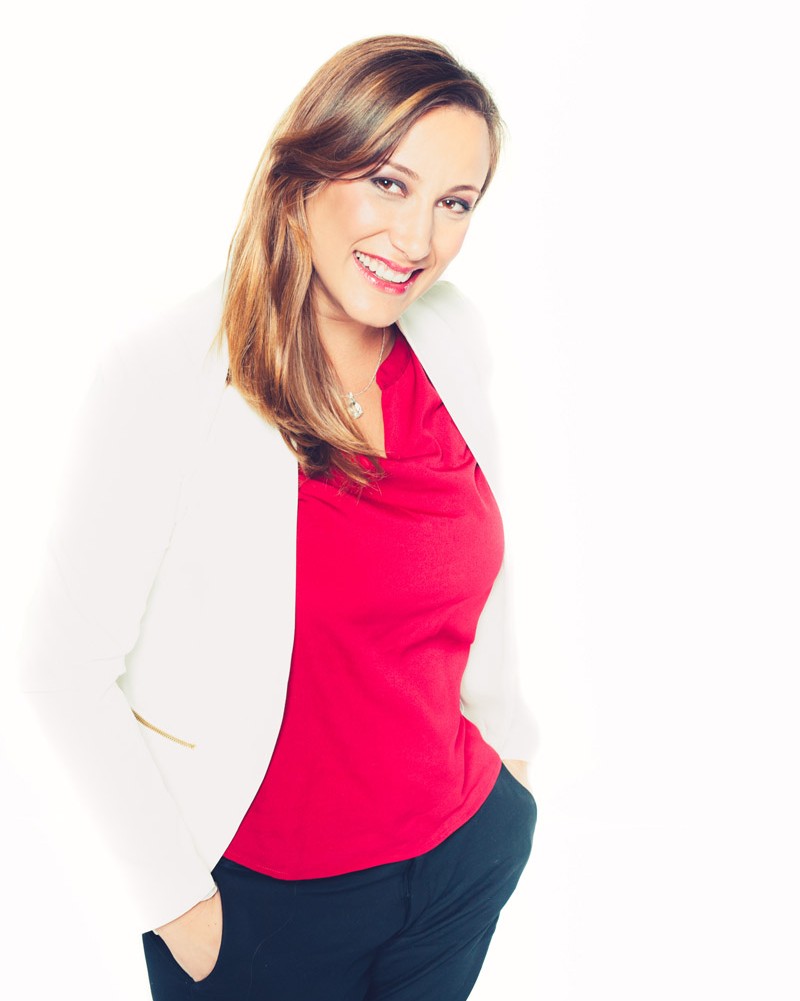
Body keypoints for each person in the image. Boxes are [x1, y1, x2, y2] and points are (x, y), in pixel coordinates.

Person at [20, 34, 537, 1001]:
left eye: (455, 203)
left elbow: (478, 575)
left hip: (457, 860)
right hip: (259, 912)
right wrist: (178, 903)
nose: (417, 239)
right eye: (389, 183)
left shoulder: (451, 334)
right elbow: (60, 666)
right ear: (304, 172)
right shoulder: (167, 373)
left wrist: (509, 767)